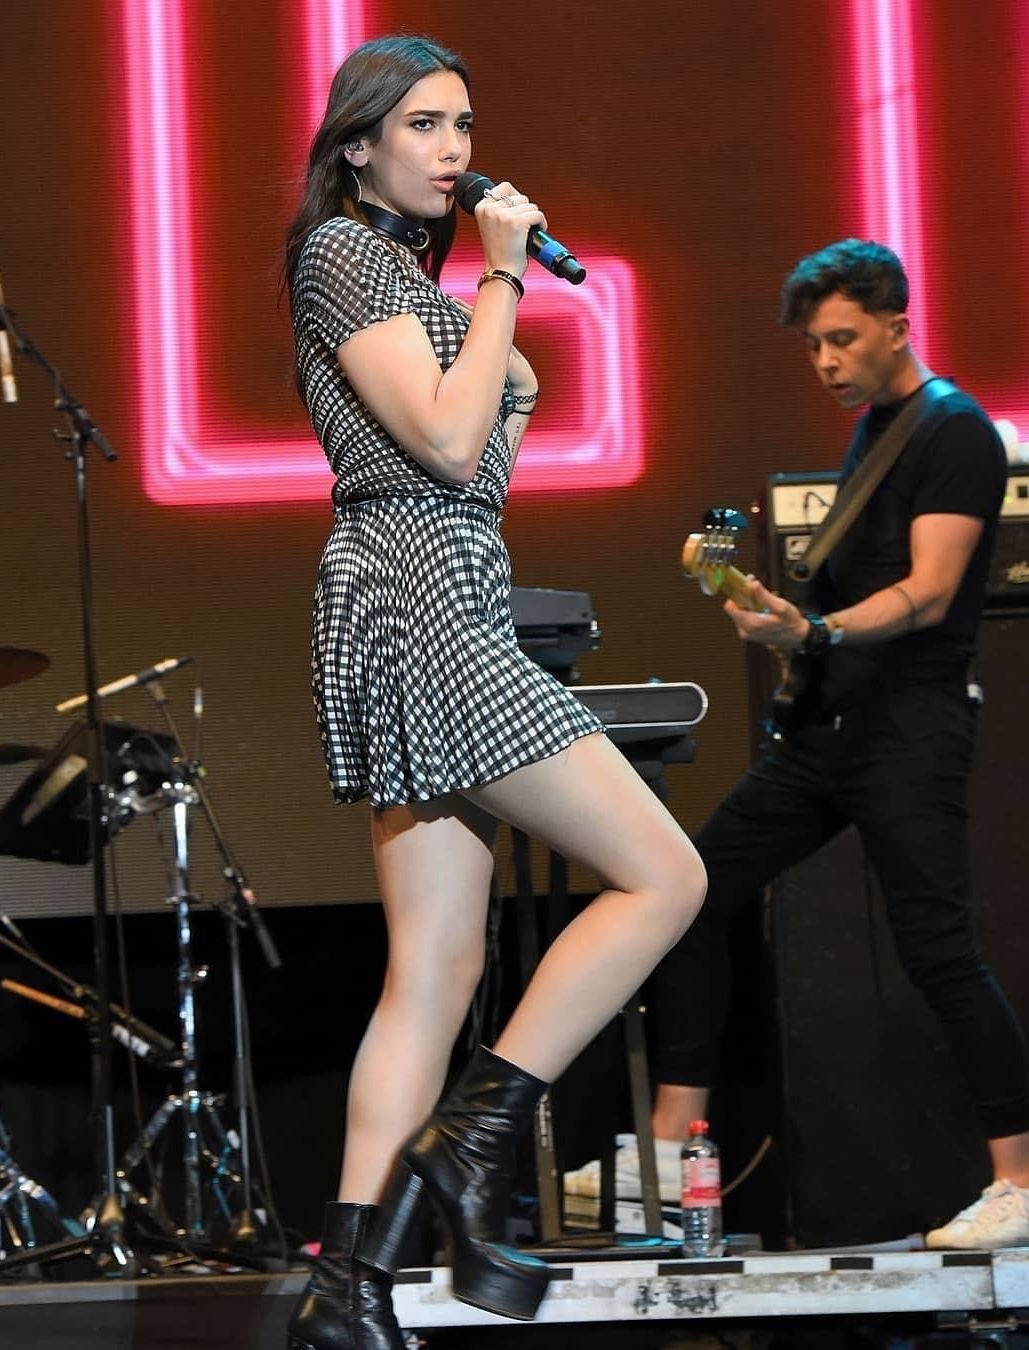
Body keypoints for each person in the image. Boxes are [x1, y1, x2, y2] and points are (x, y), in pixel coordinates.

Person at [280, 35, 706, 1350]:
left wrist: (496, 345)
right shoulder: (343, 254)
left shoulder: (407, 281)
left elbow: (480, 448)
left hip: (441, 580)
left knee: (436, 965)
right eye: (423, 124)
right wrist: (507, 277)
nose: (455, 150)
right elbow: (449, 441)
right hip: (416, 596)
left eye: (462, 123)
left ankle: (347, 1291)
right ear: (358, 146)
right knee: (665, 876)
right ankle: (472, 1142)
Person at [611, 237, 1029, 1251]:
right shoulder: (877, 430)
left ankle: (1019, 1182)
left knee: (939, 951)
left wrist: (820, 632)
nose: (827, 361)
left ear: (898, 325)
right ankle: (668, 1154)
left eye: (843, 339)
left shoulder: (956, 432)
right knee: (691, 890)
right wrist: (779, 617)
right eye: (813, 346)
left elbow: (929, 591)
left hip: (908, 731)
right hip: (828, 731)